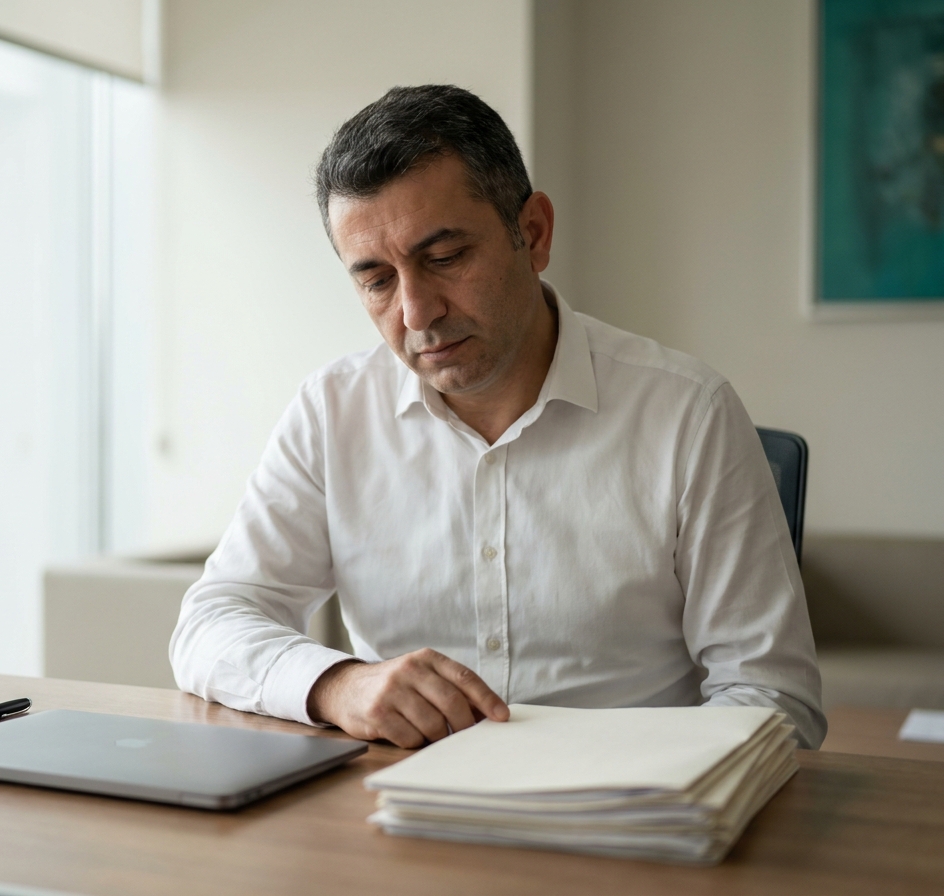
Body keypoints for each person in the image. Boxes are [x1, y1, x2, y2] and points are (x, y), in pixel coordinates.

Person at [169, 84, 825, 750]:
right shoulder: (331, 412)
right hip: (401, 809)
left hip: (624, 817)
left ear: (532, 233)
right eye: (376, 279)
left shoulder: (690, 413)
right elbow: (212, 623)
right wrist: (339, 685)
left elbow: (772, 697)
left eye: (446, 258)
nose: (415, 312)